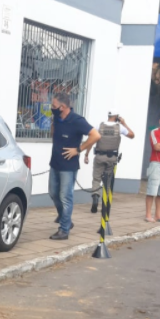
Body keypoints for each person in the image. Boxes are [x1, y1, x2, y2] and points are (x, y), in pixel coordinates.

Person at [48, 92, 101, 240]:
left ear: (63, 107)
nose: (52, 108)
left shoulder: (77, 120)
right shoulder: (57, 118)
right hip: (55, 163)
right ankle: (66, 219)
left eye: (54, 106)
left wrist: (78, 150)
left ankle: (64, 229)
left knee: (65, 196)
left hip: (68, 167)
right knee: (53, 193)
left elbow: (96, 135)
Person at [84, 112, 135, 213]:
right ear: (116, 117)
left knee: (96, 179)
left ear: (108, 116)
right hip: (112, 157)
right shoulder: (120, 127)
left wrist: (87, 154)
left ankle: (95, 197)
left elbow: (91, 140)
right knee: (108, 181)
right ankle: (105, 204)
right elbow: (132, 135)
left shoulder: (99, 126)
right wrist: (124, 123)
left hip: (99, 156)